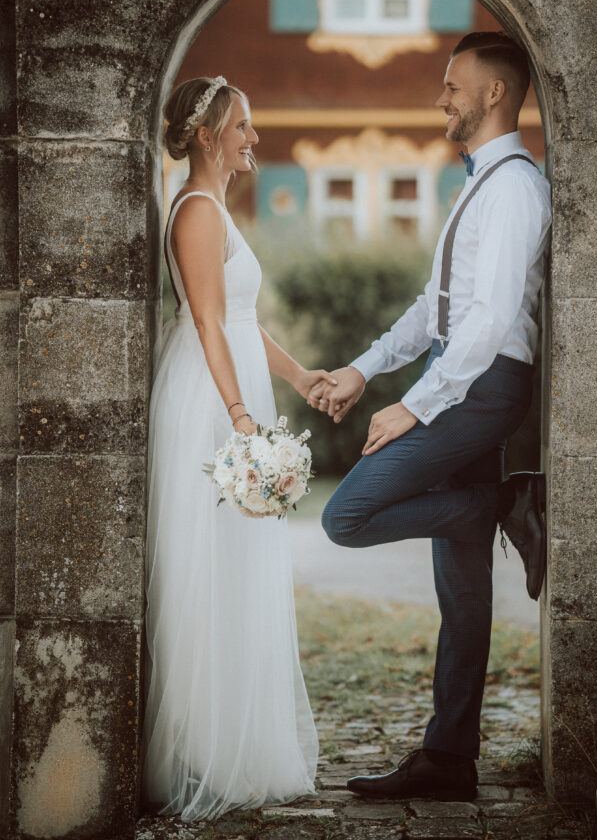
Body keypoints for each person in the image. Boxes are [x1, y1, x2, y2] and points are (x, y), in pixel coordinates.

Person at [310, 32, 552, 802]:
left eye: (453, 85)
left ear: (493, 93)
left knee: (345, 514)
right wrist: (362, 367)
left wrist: (413, 407)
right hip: (460, 377)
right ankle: (449, 760)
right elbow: (433, 310)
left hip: (483, 387)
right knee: (462, 589)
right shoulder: (479, 183)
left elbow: (485, 326)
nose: (440, 97)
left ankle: (499, 502)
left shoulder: (514, 186)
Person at [142, 75, 334, 820]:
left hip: (235, 394)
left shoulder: (215, 208)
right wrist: (240, 418)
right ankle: (198, 749)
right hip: (211, 405)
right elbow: (209, 325)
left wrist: (298, 375)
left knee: (234, 572)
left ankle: (229, 743)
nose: (254, 139)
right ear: (204, 135)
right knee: (207, 574)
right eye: (243, 126)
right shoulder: (195, 210)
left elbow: (242, 320)